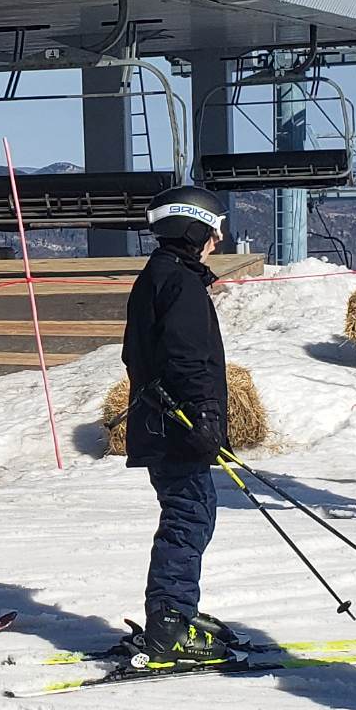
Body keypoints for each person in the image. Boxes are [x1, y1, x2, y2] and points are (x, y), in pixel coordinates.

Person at [120, 185, 234, 662]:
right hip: (177, 425)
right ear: (193, 230)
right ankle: (169, 622)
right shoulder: (181, 284)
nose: (219, 240)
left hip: (164, 423)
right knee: (188, 517)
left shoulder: (160, 276)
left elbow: (136, 353)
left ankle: (177, 609)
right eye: (214, 230)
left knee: (194, 511)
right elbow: (190, 360)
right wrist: (204, 416)